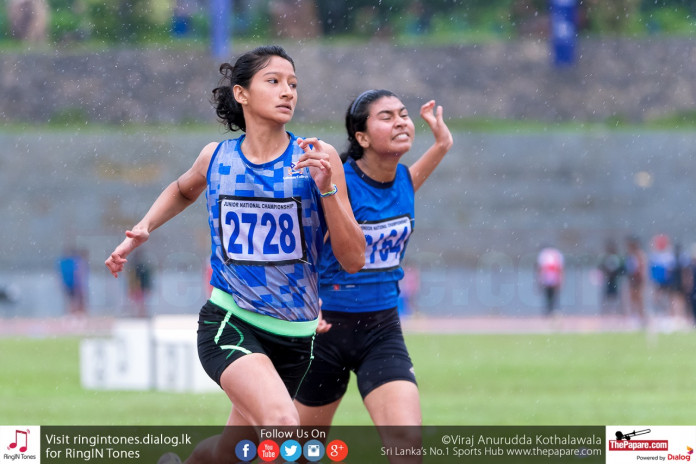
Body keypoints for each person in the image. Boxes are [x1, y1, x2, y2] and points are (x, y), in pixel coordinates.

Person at [105, 45, 365, 463]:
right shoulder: (217, 157)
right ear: (241, 94)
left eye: (294, 84)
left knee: (232, 452)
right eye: (274, 81)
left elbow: (353, 259)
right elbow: (182, 188)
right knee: (282, 427)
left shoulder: (317, 158)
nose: (288, 92)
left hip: (297, 340)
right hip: (231, 322)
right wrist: (143, 228)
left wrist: (329, 188)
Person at [293, 89, 453, 460]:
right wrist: (304, 302)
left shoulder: (402, 180)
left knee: (406, 447)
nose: (400, 121)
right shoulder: (335, 182)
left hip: (381, 330)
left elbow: (411, 180)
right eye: (387, 116)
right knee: (295, 451)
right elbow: (301, 247)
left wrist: (442, 142)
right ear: (361, 138)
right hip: (324, 330)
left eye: (402, 113)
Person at [597, 238, 625, 315]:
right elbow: (600, 267)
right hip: (607, 280)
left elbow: (622, 269)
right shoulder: (605, 258)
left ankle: (619, 314)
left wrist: (615, 273)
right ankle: (606, 313)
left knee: (618, 298)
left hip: (616, 280)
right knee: (606, 298)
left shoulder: (618, 258)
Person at [625, 235, 648, 325]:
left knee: (639, 299)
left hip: (638, 280)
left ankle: (642, 318)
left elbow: (642, 268)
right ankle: (635, 317)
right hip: (632, 279)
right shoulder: (630, 254)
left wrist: (640, 279)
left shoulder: (639, 254)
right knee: (632, 299)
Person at [535, 246, 564, 315]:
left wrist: (539, 280)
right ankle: (552, 310)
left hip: (547, 279)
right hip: (553, 279)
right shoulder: (557, 254)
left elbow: (540, 269)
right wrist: (561, 280)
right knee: (553, 296)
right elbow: (561, 269)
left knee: (549, 295)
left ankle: (550, 311)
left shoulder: (543, 255)